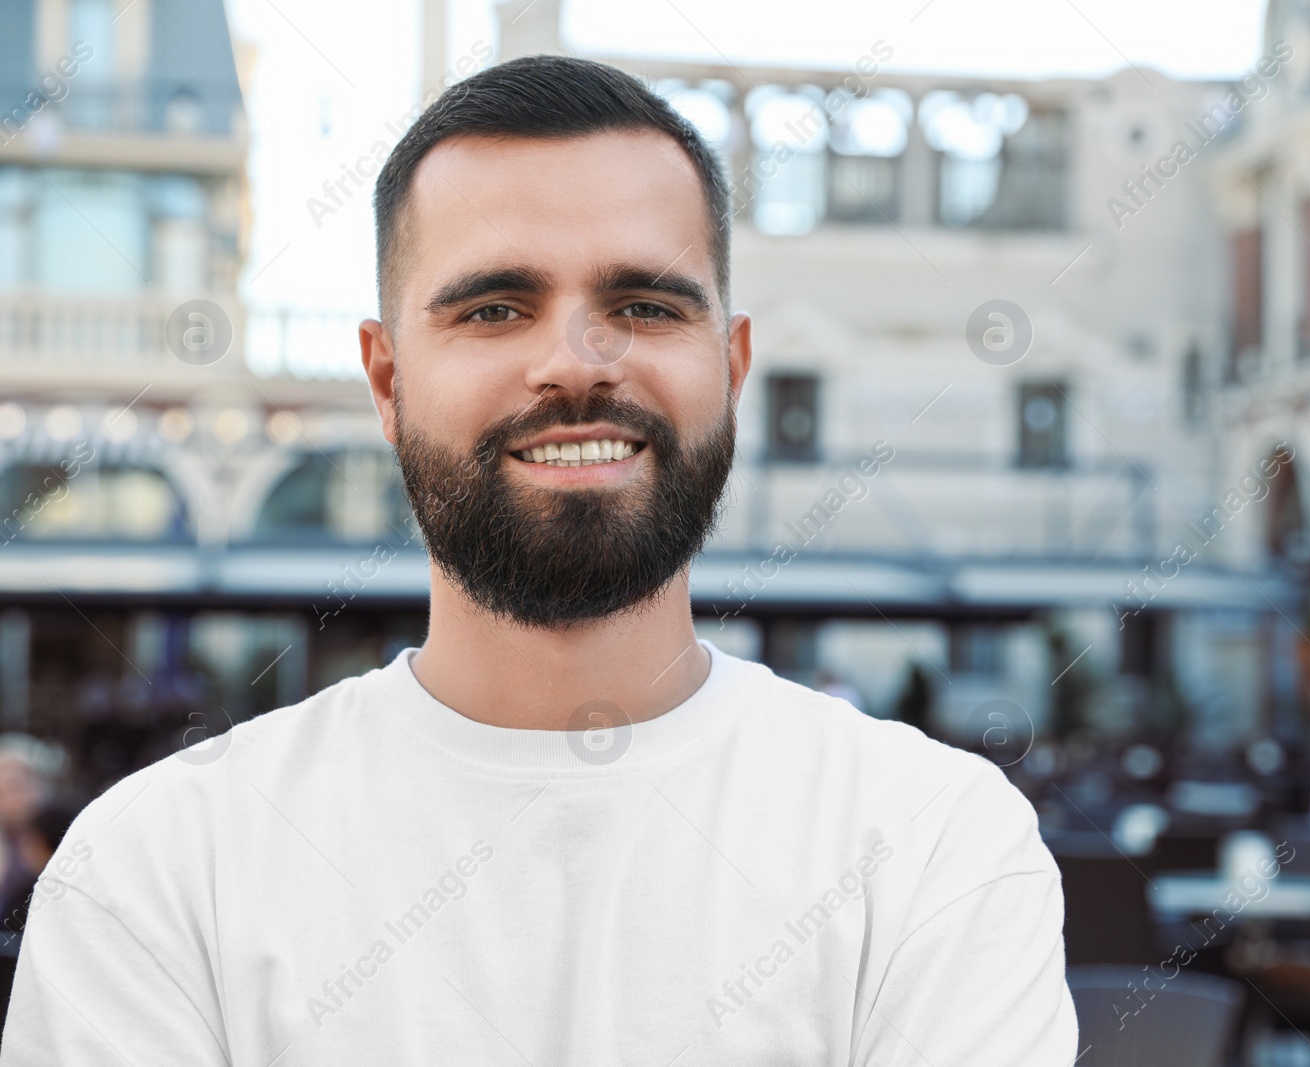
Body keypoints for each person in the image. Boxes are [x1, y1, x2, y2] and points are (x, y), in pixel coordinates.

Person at [0, 56, 1076, 1064]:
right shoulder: (154, 875)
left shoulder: (937, 847)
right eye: (495, 307)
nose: (575, 362)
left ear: (731, 366)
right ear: (385, 381)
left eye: (644, 305)